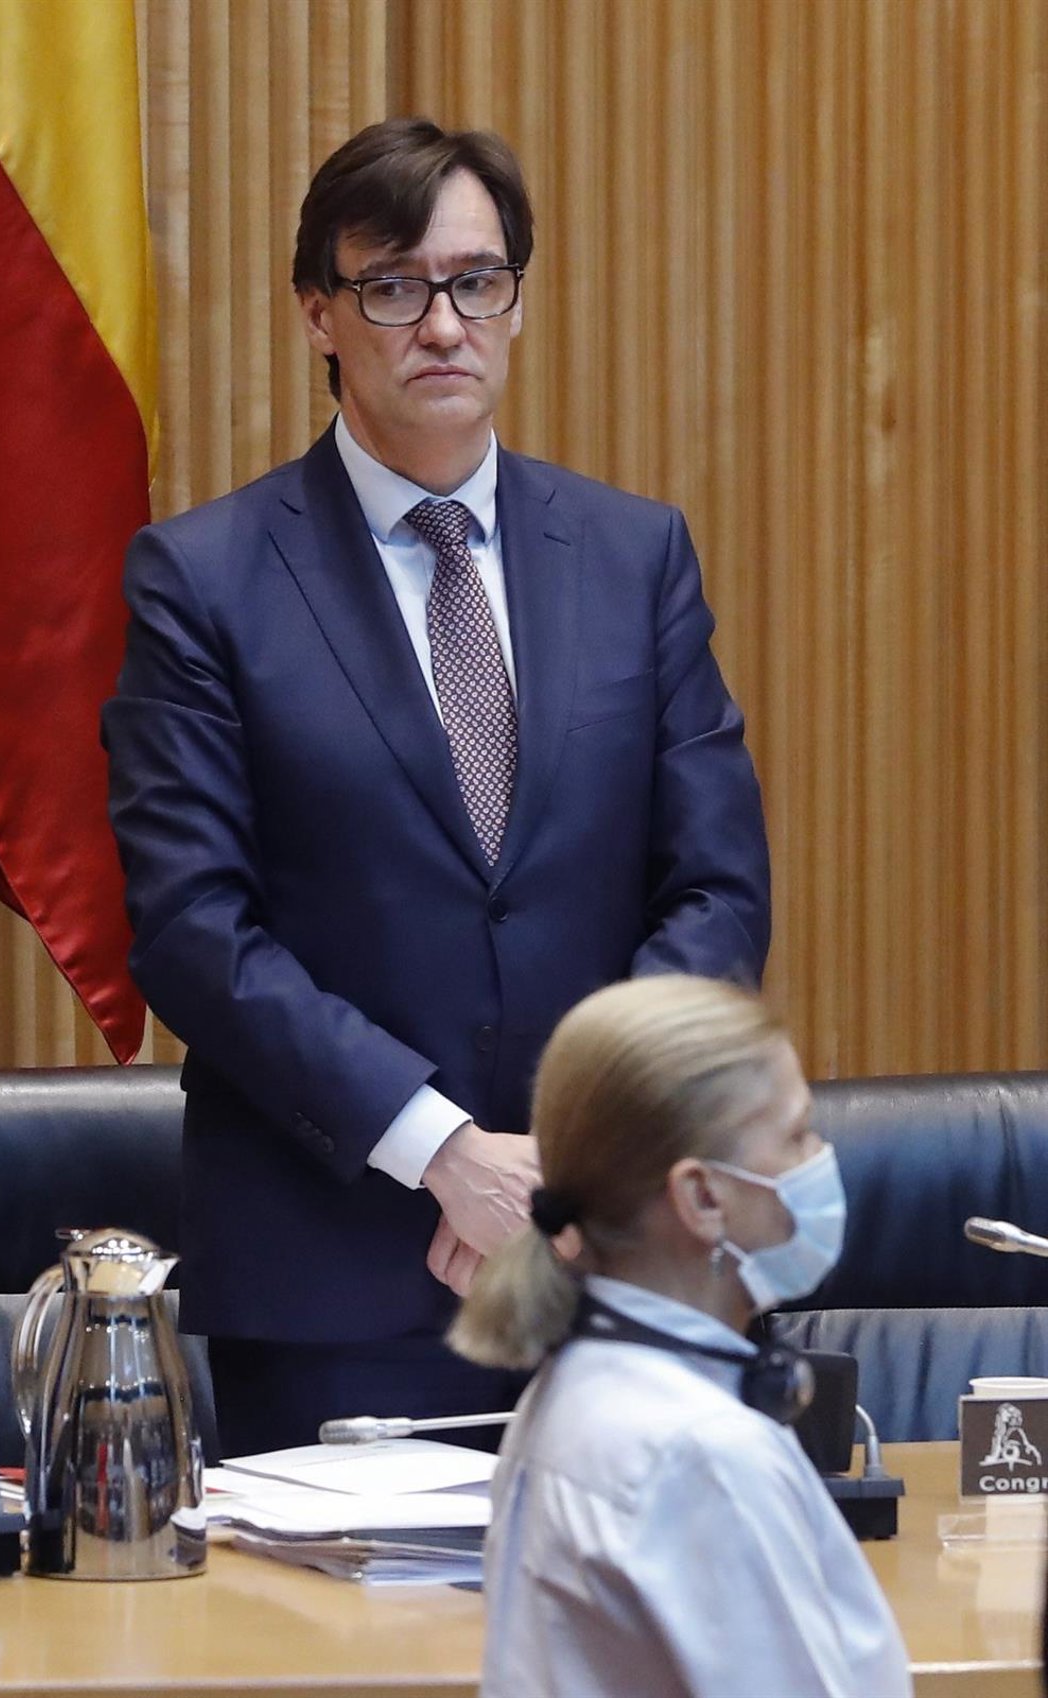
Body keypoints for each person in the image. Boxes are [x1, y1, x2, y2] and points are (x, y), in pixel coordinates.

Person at [102, 117, 770, 1459]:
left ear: (517, 300)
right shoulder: (203, 581)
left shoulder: (635, 556)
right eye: (395, 286)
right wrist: (446, 1151)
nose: (445, 324)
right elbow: (193, 928)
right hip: (336, 1280)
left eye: (477, 280)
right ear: (319, 314)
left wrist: (573, 1165)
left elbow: (715, 891)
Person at [450, 975, 911, 1698]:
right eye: (797, 1135)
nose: (820, 1156)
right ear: (702, 1197)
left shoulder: (570, 1391)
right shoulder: (704, 1456)